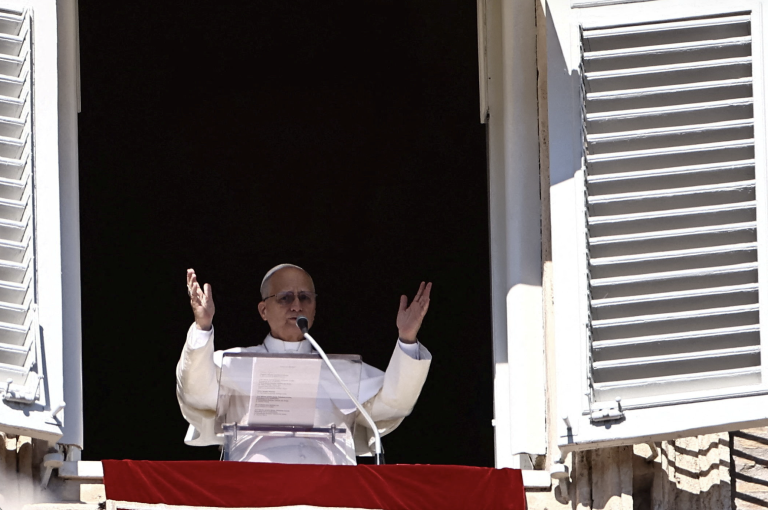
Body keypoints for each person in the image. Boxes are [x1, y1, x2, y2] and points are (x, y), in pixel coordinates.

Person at [176, 264, 433, 464]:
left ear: (314, 309)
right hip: (256, 490)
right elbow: (197, 394)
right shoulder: (233, 363)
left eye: (305, 297)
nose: (296, 305)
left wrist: (407, 339)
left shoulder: (342, 370)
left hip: (331, 494)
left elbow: (392, 402)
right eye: (285, 297)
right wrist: (203, 327)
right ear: (263, 310)